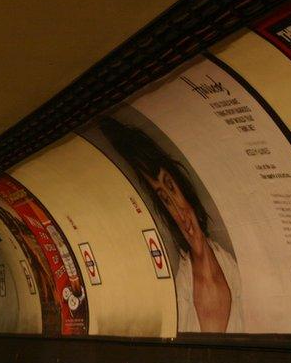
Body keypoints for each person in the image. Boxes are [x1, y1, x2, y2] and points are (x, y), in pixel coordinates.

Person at [99, 118, 243, 333]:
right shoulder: (181, 288)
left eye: (171, 187)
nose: (177, 208)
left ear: (183, 187)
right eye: (165, 200)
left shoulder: (231, 266)